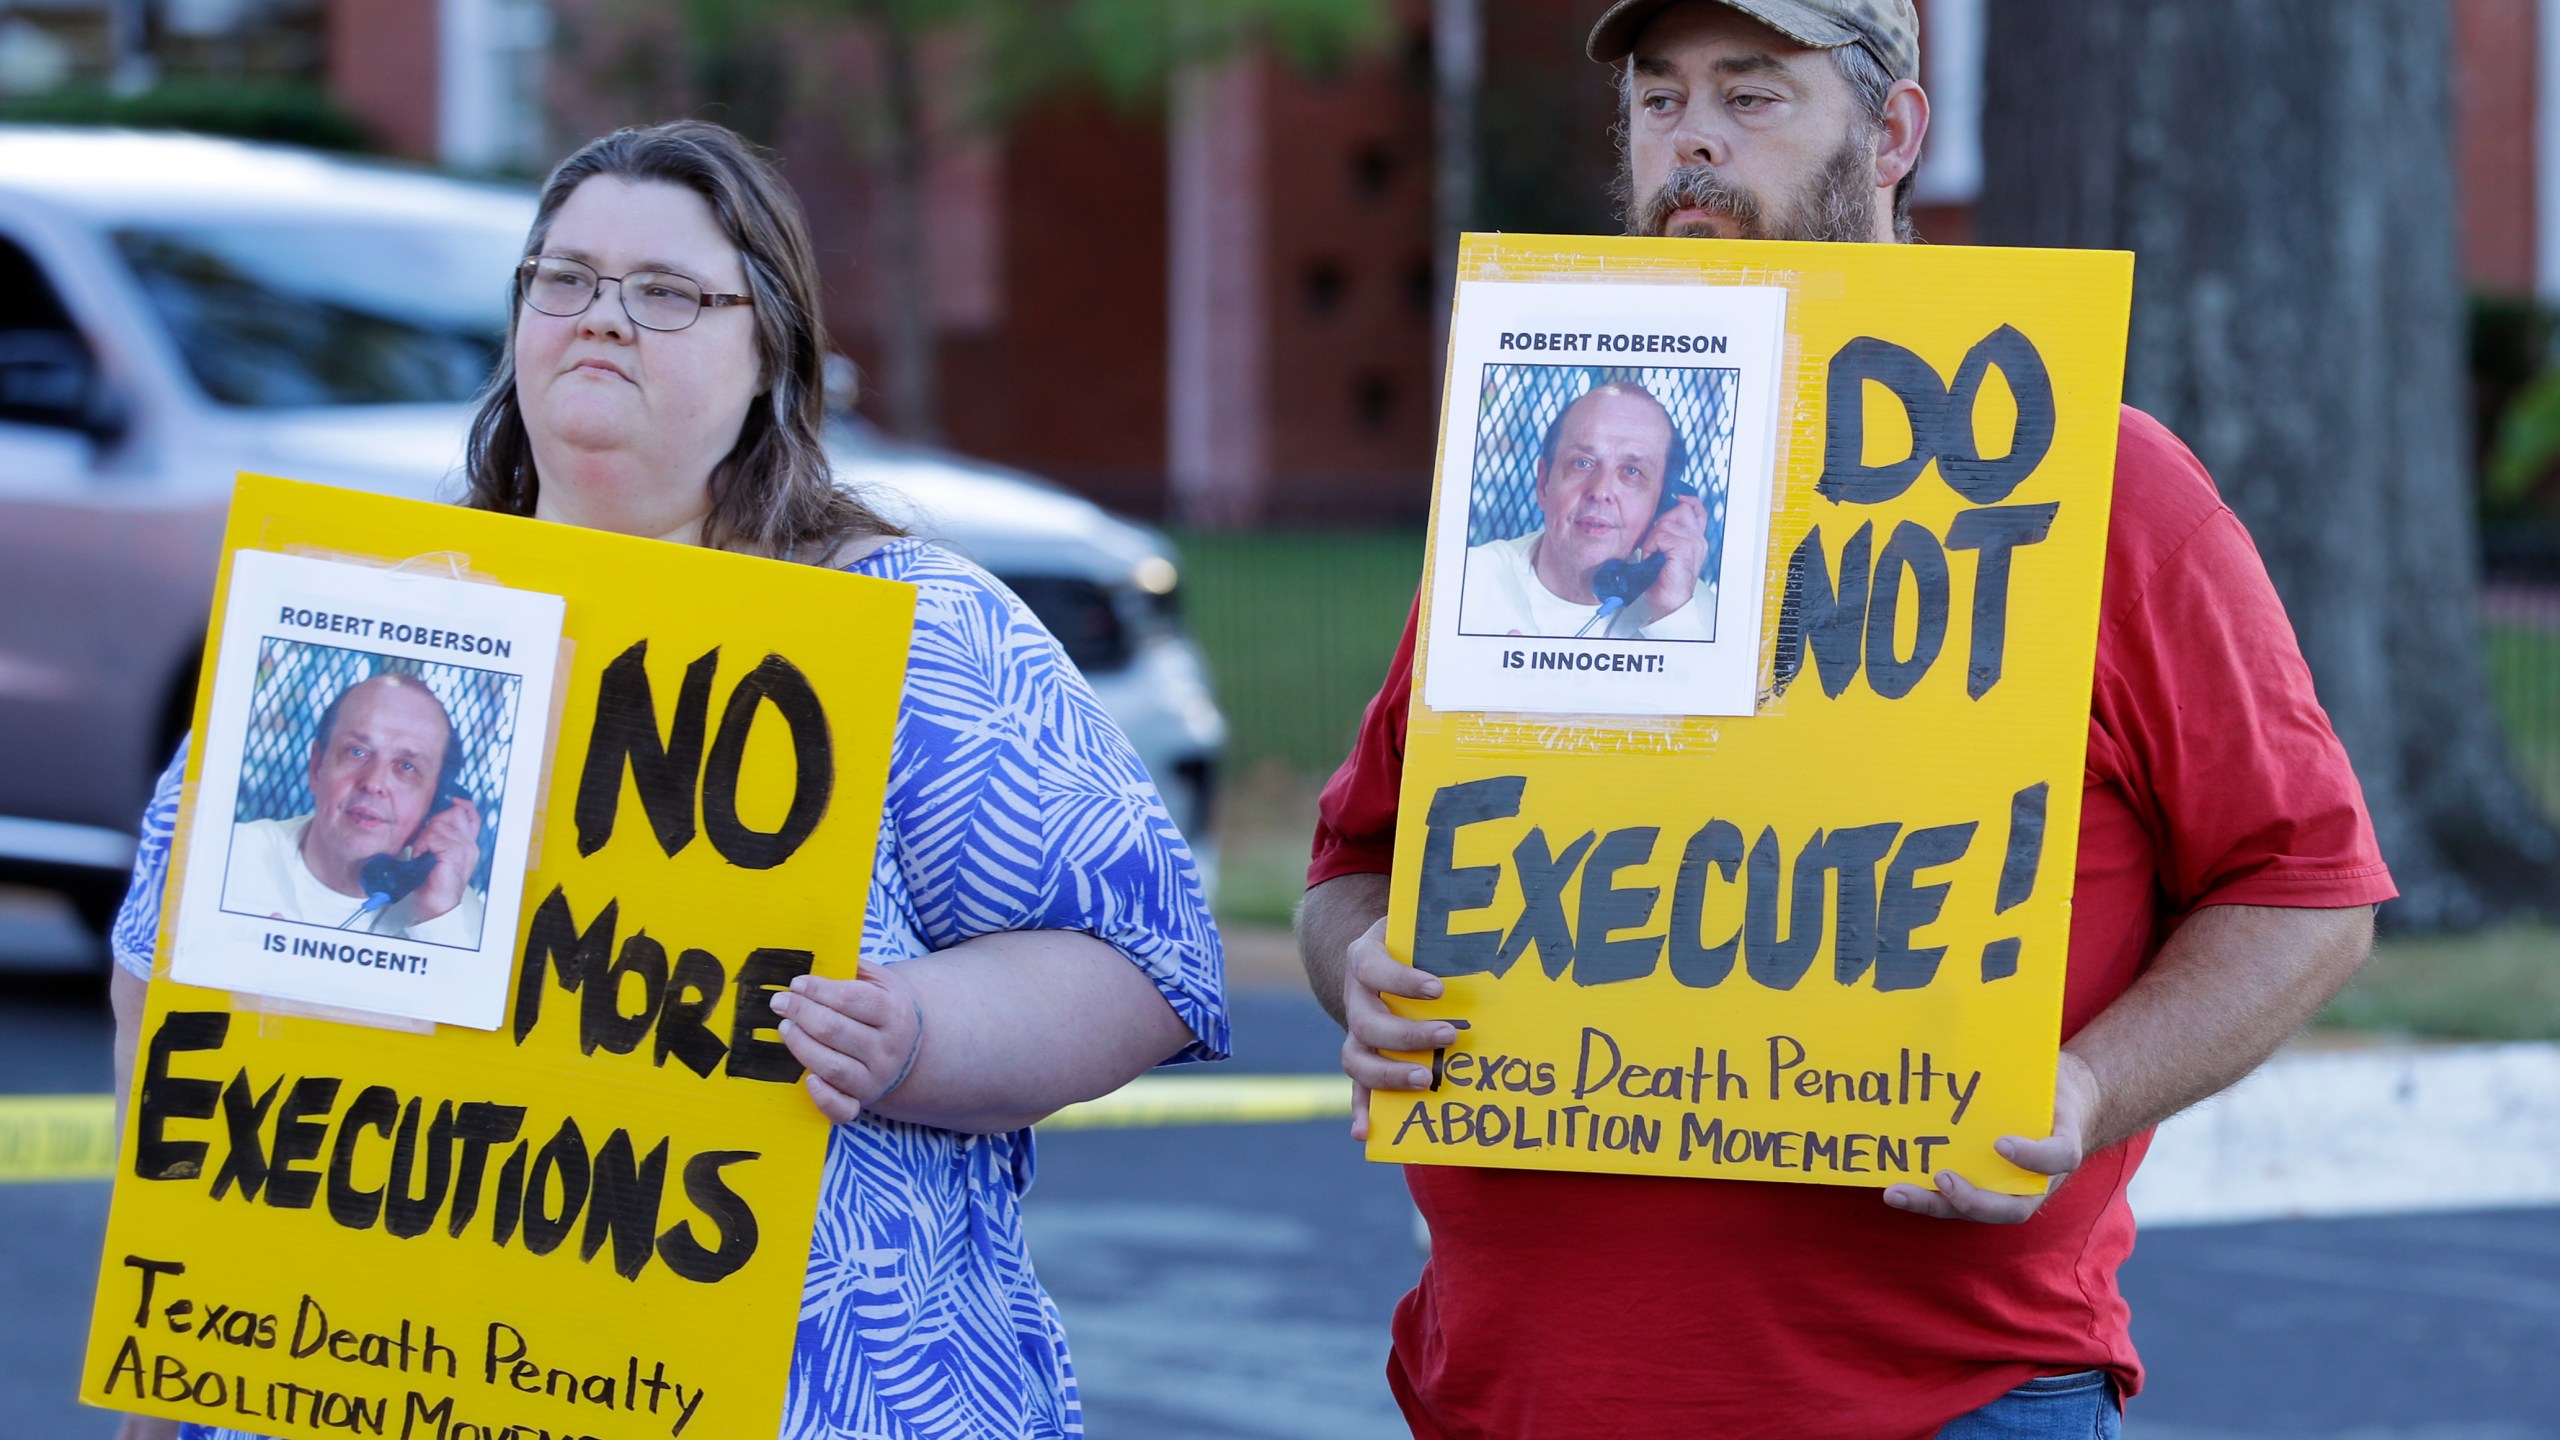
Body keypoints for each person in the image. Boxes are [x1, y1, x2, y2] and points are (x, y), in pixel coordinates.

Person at [1296, 3, 2397, 1438]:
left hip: (1935, 1400)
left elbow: (2307, 893)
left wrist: (2079, 1091)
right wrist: (1364, 970)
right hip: (1514, 1389)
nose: (1690, 139)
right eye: (1658, 100)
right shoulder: (1562, 490)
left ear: (1892, 137)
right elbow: (1352, 869)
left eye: (1753, 99)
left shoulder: (2099, 485)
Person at [107, 119, 1226, 1440]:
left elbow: (1144, 961)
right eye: (563, 278)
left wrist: (913, 1032)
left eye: (668, 293)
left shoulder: (913, 633)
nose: (601, 319)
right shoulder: (371, 616)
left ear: (772, 357)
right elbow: (164, 993)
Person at [221, 671, 486, 942]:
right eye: (356, 752)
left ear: (435, 804)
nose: (373, 783)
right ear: (317, 767)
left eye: (407, 767)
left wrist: (438, 919)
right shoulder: (229, 858)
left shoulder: (459, 916)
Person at [1460, 381, 1716, 641]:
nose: (1601, 490)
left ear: (1662, 506)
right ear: (1543, 484)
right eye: (1582, 463)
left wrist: (1672, 615)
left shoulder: (1694, 610)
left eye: (1632, 471)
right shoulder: (1464, 583)